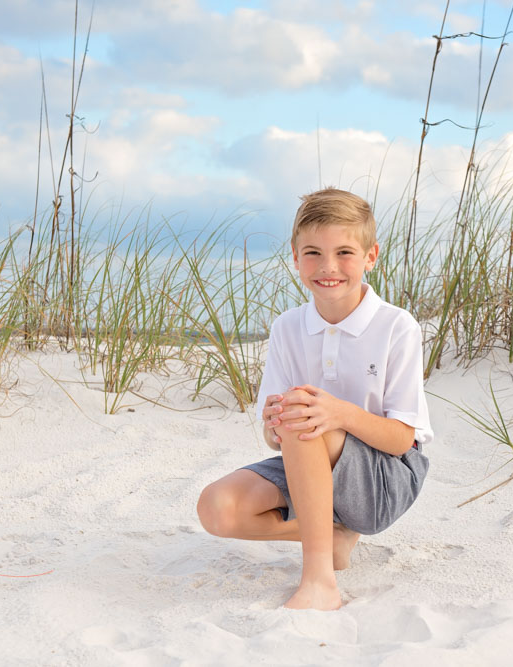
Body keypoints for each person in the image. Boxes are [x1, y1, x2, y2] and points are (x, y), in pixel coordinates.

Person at [196, 187, 432, 611]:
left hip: (385, 478)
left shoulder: (397, 326)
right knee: (218, 509)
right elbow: (275, 441)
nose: (328, 267)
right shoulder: (287, 328)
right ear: (294, 255)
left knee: (304, 413)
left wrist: (335, 412)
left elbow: (402, 440)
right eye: (312, 253)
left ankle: (319, 580)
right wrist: (273, 425)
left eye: (344, 252)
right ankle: (334, 538)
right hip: (309, 460)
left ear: (370, 256)